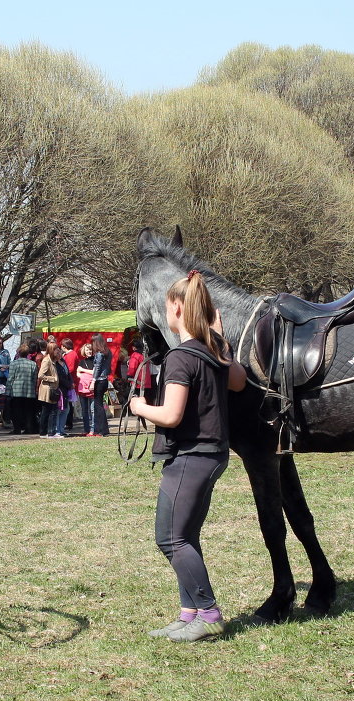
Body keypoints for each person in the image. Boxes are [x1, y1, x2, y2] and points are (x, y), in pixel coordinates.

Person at [128, 270, 247, 642]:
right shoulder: (213, 352)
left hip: (190, 455)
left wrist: (139, 407)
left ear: (177, 308)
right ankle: (189, 613)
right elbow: (239, 381)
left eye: (166, 306)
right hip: (211, 454)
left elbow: (172, 415)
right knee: (185, 536)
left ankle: (209, 614)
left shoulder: (180, 356)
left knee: (171, 538)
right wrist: (221, 340)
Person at [5, 345, 38, 435]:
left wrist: (7, 391)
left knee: (16, 411)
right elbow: (34, 379)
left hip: (16, 391)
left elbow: (10, 378)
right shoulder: (33, 364)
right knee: (29, 411)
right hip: (29, 391)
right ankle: (28, 428)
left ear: (19, 353)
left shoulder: (14, 363)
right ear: (28, 353)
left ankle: (17, 429)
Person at [36, 342, 60, 437]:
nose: (57, 350)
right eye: (55, 349)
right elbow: (40, 375)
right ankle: (43, 432)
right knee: (46, 411)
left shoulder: (53, 361)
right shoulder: (47, 360)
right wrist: (52, 378)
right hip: (47, 389)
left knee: (52, 411)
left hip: (53, 389)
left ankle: (51, 431)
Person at [90, 334, 112, 437]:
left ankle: (102, 430)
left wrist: (93, 381)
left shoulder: (99, 354)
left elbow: (97, 367)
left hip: (99, 380)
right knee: (99, 404)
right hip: (105, 379)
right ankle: (102, 429)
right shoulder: (108, 351)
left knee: (98, 405)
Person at [76, 343, 97, 435]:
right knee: (84, 410)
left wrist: (83, 371)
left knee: (93, 410)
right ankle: (86, 429)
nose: (89, 352)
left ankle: (93, 429)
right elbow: (77, 373)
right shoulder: (81, 362)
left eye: (90, 350)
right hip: (82, 388)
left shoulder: (96, 361)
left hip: (93, 387)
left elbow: (95, 372)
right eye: (87, 350)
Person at [126, 339, 154, 404]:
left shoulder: (135, 355)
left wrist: (128, 377)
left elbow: (132, 368)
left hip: (138, 381)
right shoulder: (144, 355)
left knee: (137, 400)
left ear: (134, 347)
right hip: (147, 381)